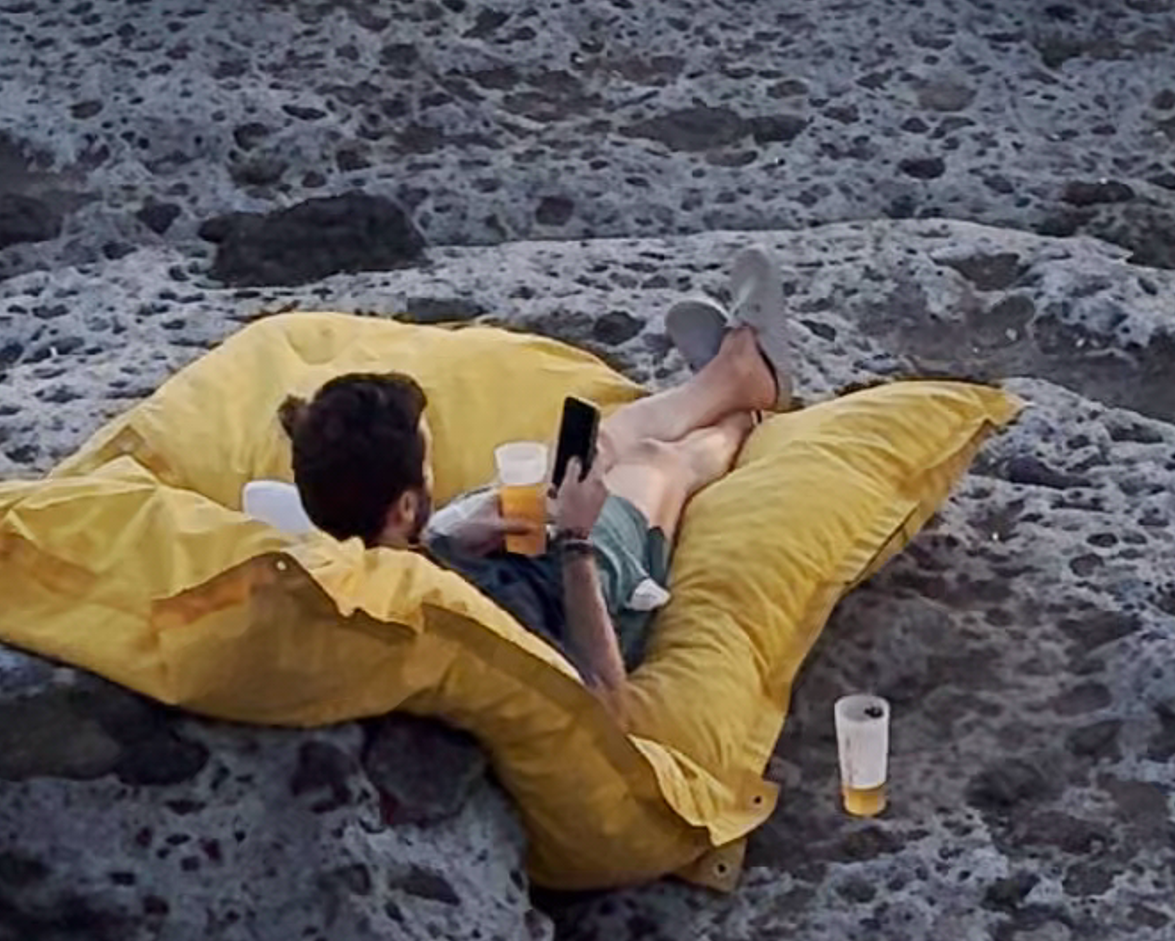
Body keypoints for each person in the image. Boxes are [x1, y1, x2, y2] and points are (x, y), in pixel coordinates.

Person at [281, 264, 818, 733]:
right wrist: (578, 541)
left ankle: (726, 379)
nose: (432, 470)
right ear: (401, 508)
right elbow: (605, 709)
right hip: (582, 585)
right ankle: (746, 405)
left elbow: (408, 565)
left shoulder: (346, 568)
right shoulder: (466, 622)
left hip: (503, 550)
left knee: (595, 445)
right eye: (426, 464)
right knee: (658, 462)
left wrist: (446, 537)